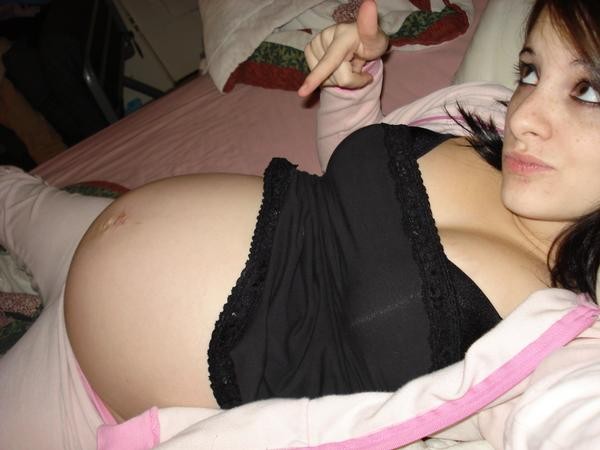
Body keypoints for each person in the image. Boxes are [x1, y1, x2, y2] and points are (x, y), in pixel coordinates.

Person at [1, 0, 600, 447]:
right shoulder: (483, 120)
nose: (526, 116)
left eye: (588, 91)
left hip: (90, 395)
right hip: (92, 231)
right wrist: (352, 89)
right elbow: (349, 188)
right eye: (531, 71)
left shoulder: (570, 346)